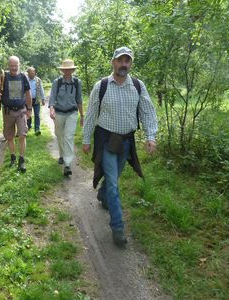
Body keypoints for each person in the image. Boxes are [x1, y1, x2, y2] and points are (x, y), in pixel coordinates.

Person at [82, 46, 158, 248]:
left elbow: (148, 112)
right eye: (120, 60)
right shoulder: (102, 86)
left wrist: (151, 136)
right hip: (107, 141)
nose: (124, 64)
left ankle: (103, 193)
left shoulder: (137, 86)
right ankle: (118, 228)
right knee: (115, 185)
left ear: (130, 64)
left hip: (126, 142)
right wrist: (86, 139)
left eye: (127, 61)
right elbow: (91, 114)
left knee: (113, 178)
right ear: (113, 62)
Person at [0, 56, 32, 172]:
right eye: (12, 66)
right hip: (7, 112)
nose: (14, 68)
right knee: (9, 136)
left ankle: (22, 160)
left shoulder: (23, 77)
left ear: (19, 65)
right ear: (8, 66)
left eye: (16, 66)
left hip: (21, 110)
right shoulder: (3, 76)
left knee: (22, 134)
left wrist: (29, 109)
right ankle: (13, 157)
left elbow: (28, 94)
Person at [49, 59, 84, 177]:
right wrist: (51, 109)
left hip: (72, 113)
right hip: (59, 113)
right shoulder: (56, 82)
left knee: (68, 137)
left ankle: (67, 164)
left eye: (70, 69)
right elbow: (52, 98)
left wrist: (82, 115)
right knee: (59, 134)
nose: (68, 71)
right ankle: (61, 154)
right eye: (65, 69)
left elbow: (79, 99)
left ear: (73, 70)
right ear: (62, 70)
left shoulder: (77, 82)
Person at [26, 67, 46, 135]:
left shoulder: (38, 80)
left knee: (37, 114)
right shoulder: (26, 80)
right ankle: (28, 127)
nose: (32, 74)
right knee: (28, 114)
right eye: (30, 73)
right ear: (28, 73)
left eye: (33, 73)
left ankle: (37, 129)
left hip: (36, 100)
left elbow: (41, 89)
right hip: (28, 100)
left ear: (35, 73)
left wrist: (43, 99)